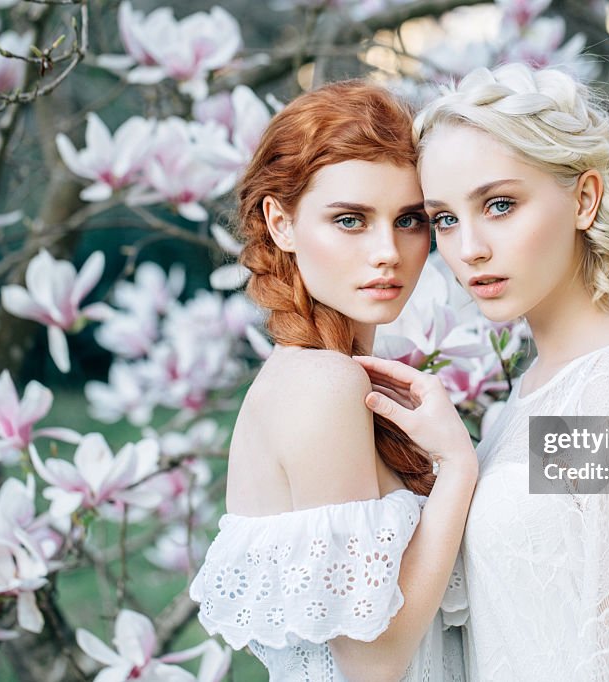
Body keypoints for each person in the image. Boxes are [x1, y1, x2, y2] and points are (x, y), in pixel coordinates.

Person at [357, 63, 609, 680]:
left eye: (499, 204)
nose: (468, 247)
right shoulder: (534, 390)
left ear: (584, 198)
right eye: (444, 218)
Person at [188, 80, 477, 682]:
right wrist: (457, 469)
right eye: (350, 220)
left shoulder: (329, 375)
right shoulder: (321, 386)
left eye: (409, 220)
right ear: (281, 223)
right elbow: (370, 661)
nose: (388, 253)